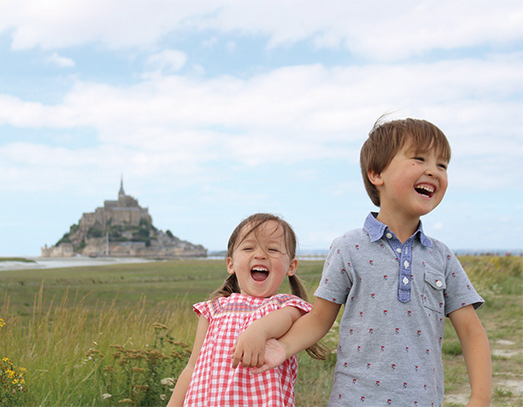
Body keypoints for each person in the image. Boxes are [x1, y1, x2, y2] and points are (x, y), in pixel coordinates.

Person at [232, 118, 492, 406]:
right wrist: (282, 347)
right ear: (376, 173)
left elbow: (471, 331)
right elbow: (319, 318)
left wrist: (480, 397)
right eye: (419, 159)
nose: (433, 170)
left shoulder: (440, 256)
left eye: (442, 165)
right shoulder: (349, 247)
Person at [168, 213, 327, 407]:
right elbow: (192, 367)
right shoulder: (213, 309)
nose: (260, 254)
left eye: (273, 249)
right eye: (248, 248)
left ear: (291, 266)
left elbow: (284, 318)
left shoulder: (286, 305)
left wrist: (258, 330)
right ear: (230, 264)